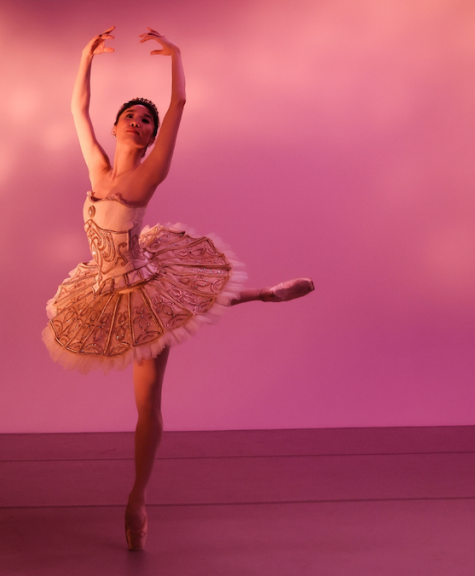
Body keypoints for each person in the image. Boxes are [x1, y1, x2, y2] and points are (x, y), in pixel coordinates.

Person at [42, 26, 314, 551]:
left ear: (148, 138)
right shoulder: (97, 168)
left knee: (147, 403)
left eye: (146, 121)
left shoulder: (147, 176)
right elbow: (77, 110)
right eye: (130, 115)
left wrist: (178, 56)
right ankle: (262, 294)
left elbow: (180, 101)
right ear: (117, 124)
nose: (137, 122)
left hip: (142, 287)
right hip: (104, 283)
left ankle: (137, 497)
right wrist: (84, 57)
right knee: (186, 309)